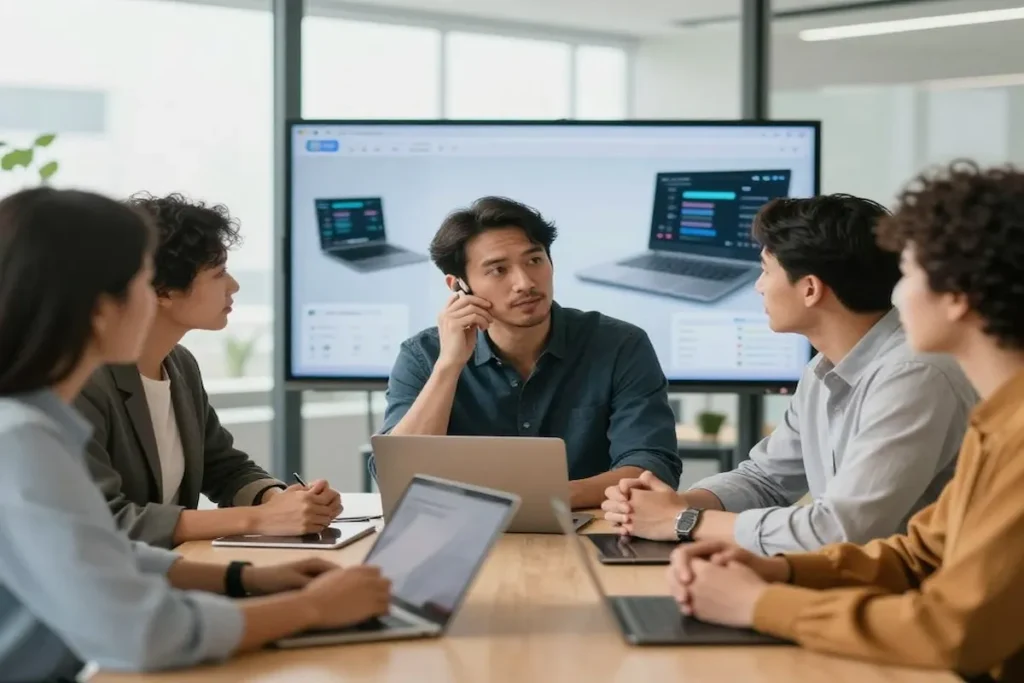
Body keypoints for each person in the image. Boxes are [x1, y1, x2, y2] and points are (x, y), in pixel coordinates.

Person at [0, 187, 390, 681]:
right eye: (143, 282)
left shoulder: (33, 424)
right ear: (101, 310)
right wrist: (312, 608)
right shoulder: (21, 441)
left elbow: (103, 549)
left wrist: (247, 577)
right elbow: (143, 632)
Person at [666, 161, 1024, 682]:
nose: (896, 295)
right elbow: (919, 553)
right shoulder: (998, 420)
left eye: (912, 276)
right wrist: (784, 569)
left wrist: (760, 604)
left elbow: (952, 631)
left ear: (958, 297)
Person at [602, 193, 977, 555]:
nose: (757, 286)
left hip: (916, 601)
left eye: (766, 271)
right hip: (856, 585)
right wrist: (672, 504)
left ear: (810, 289)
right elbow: (765, 480)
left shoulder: (914, 375)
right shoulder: (822, 370)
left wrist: (683, 521)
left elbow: (841, 531)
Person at [378, 196, 680, 508]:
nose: (524, 283)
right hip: (460, 531)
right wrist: (448, 367)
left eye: (534, 261)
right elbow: (398, 479)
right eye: (498, 270)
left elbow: (652, 467)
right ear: (459, 287)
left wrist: (541, 499)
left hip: (593, 532)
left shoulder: (619, 344)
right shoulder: (423, 355)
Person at [76, 193, 341, 548]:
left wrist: (280, 500)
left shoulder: (180, 364)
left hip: (171, 573)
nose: (234, 286)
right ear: (163, 290)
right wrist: (259, 519)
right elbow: (106, 519)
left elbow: (224, 468)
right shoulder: (82, 380)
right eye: (219, 273)